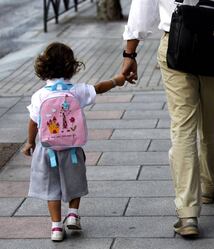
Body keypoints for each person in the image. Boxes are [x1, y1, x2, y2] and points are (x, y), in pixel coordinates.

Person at [121, 0, 214, 237]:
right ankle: (208, 185)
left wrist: (130, 53)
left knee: (182, 126)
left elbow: (142, 9)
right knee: (211, 121)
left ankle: (188, 213)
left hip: (178, 39)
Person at [21, 42, 128, 242]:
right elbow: (97, 88)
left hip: (47, 151)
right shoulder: (76, 90)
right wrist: (116, 80)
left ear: (43, 68)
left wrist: (29, 143)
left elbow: (33, 122)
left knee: (51, 188)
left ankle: (55, 228)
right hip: (71, 148)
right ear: (71, 67)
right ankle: (72, 213)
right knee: (75, 181)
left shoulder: (39, 95)